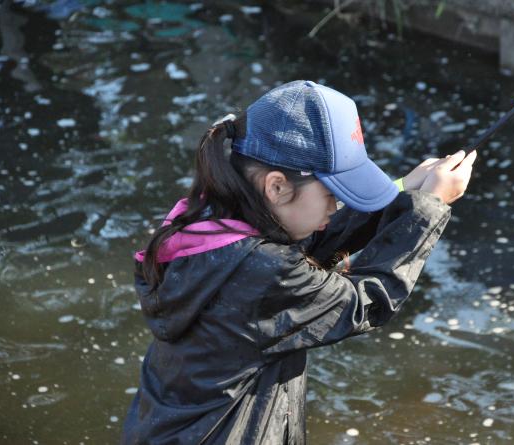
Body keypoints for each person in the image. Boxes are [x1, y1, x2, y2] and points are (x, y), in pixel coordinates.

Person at [122, 80, 476, 444]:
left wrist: (400, 194)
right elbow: (367, 298)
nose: (335, 206)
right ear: (276, 187)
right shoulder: (261, 274)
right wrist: (429, 206)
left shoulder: (207, 226)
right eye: (331, 194)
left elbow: (308, 242)